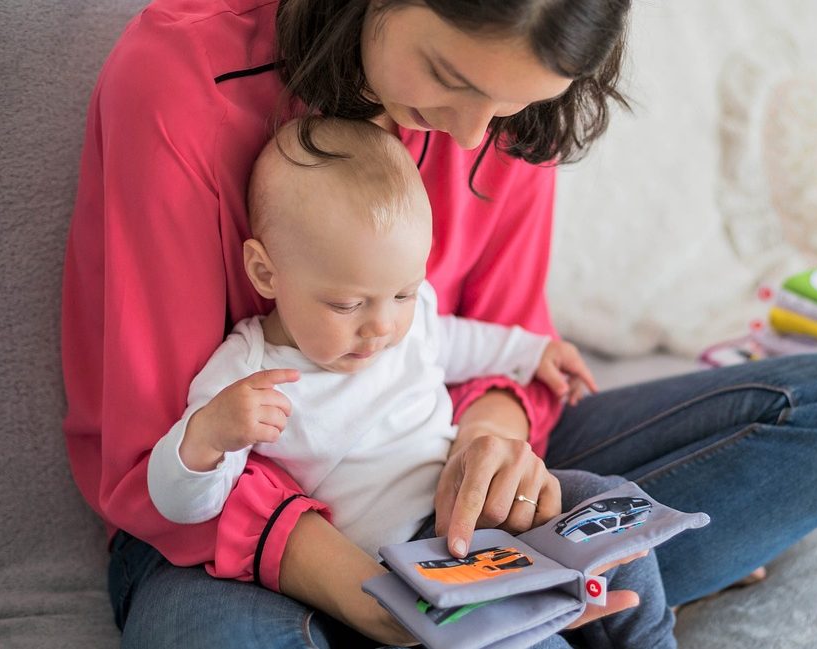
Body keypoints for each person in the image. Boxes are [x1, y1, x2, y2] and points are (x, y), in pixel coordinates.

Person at [62, 0, 817, 646]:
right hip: (220, 532)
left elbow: (503, 342)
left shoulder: (503, 112)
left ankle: (533, 597)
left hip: (443, 489)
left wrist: (491, 445)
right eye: (450, 78)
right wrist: (372, 592)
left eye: (509, 104)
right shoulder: (176, 82)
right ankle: (536, 606)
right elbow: (159, 456)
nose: (473, 134)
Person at [144, 117, 675, 647]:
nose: (382, 327)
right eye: (346, 304)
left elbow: (453, 340)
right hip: (408, 560)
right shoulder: (248, 373)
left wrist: (531, 351)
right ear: (266, 273)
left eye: (402, 293)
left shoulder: (404, 318)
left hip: (478, 501)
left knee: (614, 508)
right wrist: (207, 438)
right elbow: (183, 505)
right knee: (519, 638)